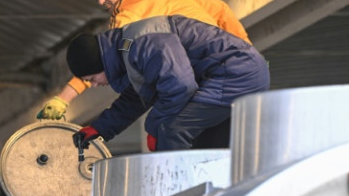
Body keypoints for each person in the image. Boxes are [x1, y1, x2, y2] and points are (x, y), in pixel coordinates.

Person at [37, 0, 252, 120]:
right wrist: (247, 51)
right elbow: (221, 10)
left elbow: (99, 61)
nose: (101, 1)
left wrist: (63, 98)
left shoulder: (128, 17)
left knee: (164, 129)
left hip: (202, 79)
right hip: (233, 68)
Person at [66, 15, 269, 152]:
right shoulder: (126, 51)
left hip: (235, 73)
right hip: (232, 74)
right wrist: (99, 128)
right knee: (205, 144)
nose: (93, 85)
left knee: (172, 129)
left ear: (103, 63)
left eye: (91, 79)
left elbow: (180, 86)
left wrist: (154, 128)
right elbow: (137, 98)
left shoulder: (141, 43)